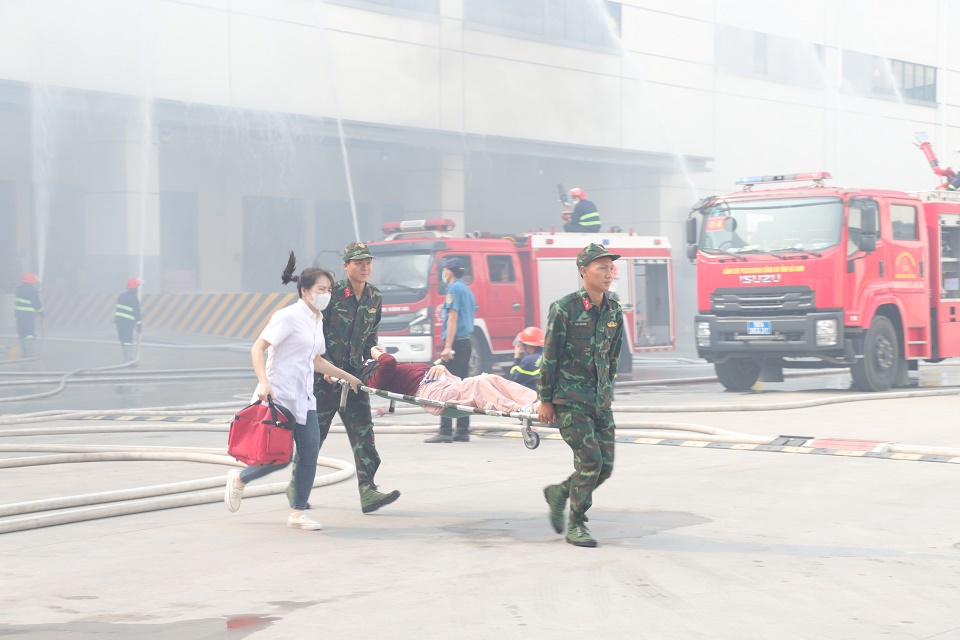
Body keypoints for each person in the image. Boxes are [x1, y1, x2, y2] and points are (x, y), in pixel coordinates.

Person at [224, 253, 362, 530]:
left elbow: (316, 359)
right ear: (305, 291)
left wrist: (348, 377)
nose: (326, 295)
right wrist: (264, 381)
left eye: (329, 290)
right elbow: (258, 348)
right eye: (321, 290)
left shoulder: (317, 319)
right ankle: (240, 479)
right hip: (278, 397)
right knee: (279, 458)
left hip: (304, 398)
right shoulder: (287, 316)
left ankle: (297, 513)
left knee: (309, 452)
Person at [538, 243, 623, 548]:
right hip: (569, 399)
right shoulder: (565, 308)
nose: (609, 273)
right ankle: (577, 524)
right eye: (602, 268)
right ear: (584, 272)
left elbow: (613, 356)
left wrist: (606, 391)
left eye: (611, 268)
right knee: (590, 462)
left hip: (599, 401)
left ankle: (560, 492)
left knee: (606, 467)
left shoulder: (614, 310)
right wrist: (545, 399)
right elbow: (550, 356)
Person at [308, 241, 401, 514]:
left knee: (364, 435)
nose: (364, 267)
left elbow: (370, 337)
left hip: (355, 379)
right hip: (323, 380)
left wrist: (375, 353)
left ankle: (368, 491)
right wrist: (325, 370)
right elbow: (314, 336)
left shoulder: (375, 296)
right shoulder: (330, 294)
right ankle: (297, 487)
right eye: (358, 262)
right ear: (346, 265)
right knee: (314, 437)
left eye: (368, 262)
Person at [360, 346, 537, 416]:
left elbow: (457, 380)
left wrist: (441, 369)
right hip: (432, 393)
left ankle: (535, 401)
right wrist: (377, 353)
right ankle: (519, 410)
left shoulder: (391, 370)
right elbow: (388, 361)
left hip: (445, 384)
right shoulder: (376, 379)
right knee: (478, 384)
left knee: (489, 378)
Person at [424, 257, 477, 443]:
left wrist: (447, 346)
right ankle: (463, 431)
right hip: (466, 342)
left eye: (445, 270)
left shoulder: (453, 289)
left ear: (450, 271)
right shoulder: (467, 289)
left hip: (455, 344)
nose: (443, 273)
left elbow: (453, 317)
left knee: (445, 386)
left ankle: (445, 431)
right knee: (462, 387)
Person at [14, 273, 43, 358]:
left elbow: (26, 294)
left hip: (19, 315)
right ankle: (29, 352)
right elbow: (36, 303)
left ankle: (25, 352)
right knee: (29, 334)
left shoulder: (18, 289)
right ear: (32, 282)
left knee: (22, 333)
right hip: (28, 315)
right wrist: (42, 313)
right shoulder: (33, 291)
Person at [115, 278, 143, 363]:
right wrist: (139, 325)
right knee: (128, 341)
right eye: (137, 287)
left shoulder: (122, 296)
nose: (138, 289)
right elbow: (136, 312)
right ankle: (128, 361)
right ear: (134, 287)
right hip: (127, 323)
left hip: (119, 322)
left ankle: (127, 360)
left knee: (123, 340)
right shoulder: (133, 298)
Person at [508, 326, 544, 392]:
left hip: (537, 396)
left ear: (526, 345)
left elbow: (514, 380)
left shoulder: (529, 360)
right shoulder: (550, 355)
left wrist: (517, 357)